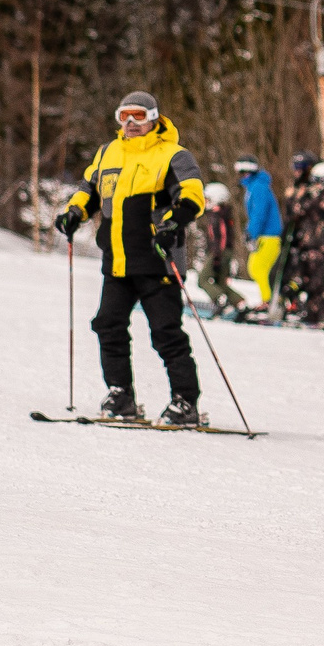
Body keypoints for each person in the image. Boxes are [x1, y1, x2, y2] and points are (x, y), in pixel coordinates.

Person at [53, 91, 206, 426]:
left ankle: (185, 402)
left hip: (157, 259)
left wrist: (173, 223)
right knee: (107, 324)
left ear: (154, 118)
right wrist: (74, 213)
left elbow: (193, 195)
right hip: (118, 260)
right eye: (124, 116)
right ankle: (121, 394)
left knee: (166, 331)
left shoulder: (174, 155)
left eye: (139, 115)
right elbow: (90, 189)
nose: (132, 123)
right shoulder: (108, 152)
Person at [285, 159, 324, 329]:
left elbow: (305, 209)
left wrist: (304, 196)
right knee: (309, 279)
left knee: (317, 281)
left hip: (318, 245)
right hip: (308, 243)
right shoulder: (319, 196)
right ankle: (312, 312)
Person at [234, 156, 282, 319]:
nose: (240, 177)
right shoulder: (254, 187)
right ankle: (268, 300)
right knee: (254, 267)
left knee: (259, 268)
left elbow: (259, 213)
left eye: (242, 173)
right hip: (264, 235)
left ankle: (269, 302)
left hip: (269, 236)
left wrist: (251, 233)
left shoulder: (259, 187)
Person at [195, 180, 247, 316]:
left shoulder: (218, 215)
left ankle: (220, 299)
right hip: (222, 252)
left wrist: (217, 256)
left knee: (203, 279)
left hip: (219, 252)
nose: (206, 202)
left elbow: (222, 237)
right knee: (221, 282)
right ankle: (239, 302)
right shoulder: (220, 214)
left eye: (208, 199)